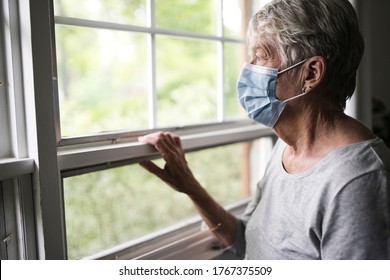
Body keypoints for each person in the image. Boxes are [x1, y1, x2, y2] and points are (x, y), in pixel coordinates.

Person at [138, 0, 390, 259]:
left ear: (311, 74)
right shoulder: (287, 146)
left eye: (260, 55)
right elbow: (250, 242)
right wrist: (190, 186)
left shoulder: (357, 179)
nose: (248, 68)